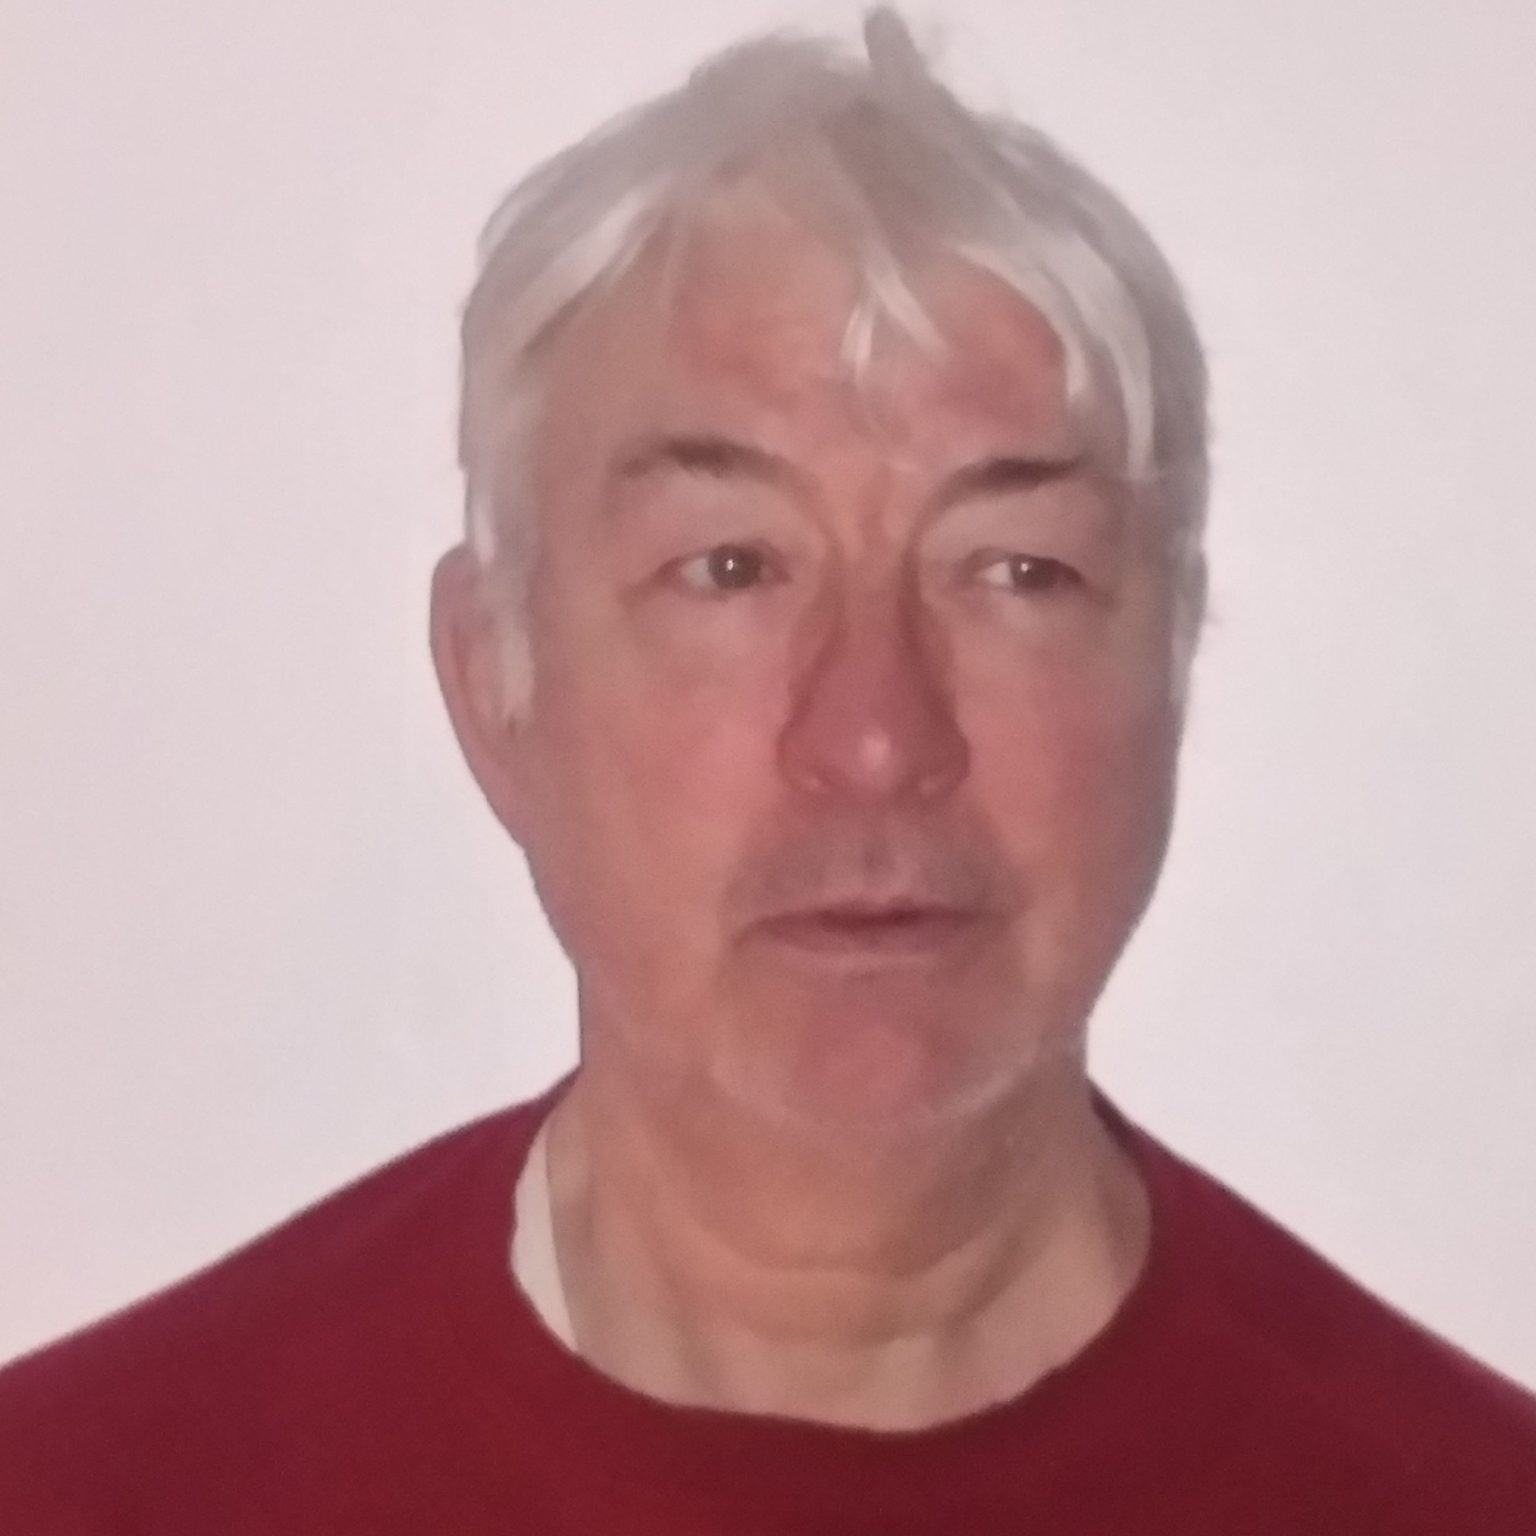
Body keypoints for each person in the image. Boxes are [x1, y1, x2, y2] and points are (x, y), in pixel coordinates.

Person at [2, 9, 1532, 1531]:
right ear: (493, 684)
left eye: (1017, 570)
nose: (875, 738)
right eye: (728, 568)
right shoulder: (90, 1490)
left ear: (1170, 666)